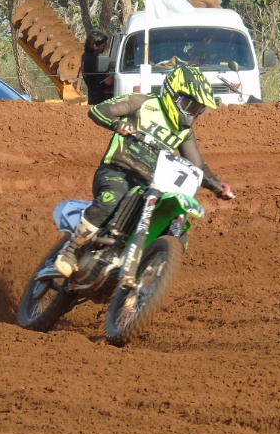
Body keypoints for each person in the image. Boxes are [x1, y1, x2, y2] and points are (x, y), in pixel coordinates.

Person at [54, 65, 235, 278]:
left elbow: (198, 166)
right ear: (173, 94)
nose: (191, 113)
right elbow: (97, 111)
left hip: (150, 185)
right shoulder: (142, 102)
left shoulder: (184, 132)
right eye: (189, 105)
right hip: (117, 171)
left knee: (174, 227)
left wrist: (217, 186)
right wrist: (118, 124)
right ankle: (71, 250)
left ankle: (142, 282)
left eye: (197, 109)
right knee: (112, 198)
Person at [80, 29, 114, 104]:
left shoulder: (86, 56)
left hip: (93, 94)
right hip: (100, 98)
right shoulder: (93, 60)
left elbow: (107, 64)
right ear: (95, 46)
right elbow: (108, 82)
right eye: (103, 46)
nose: (105, 47)